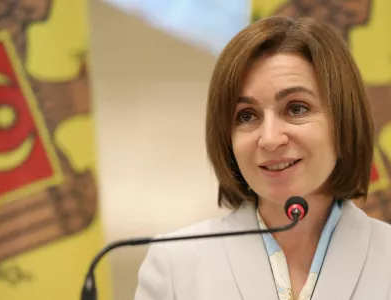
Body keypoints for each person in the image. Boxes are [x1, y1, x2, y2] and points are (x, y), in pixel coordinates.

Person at [134, 16, 391, 300]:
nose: (269, 138)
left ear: (344, 121)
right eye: (247, 116)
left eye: (296, 109)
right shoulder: (175, 264)